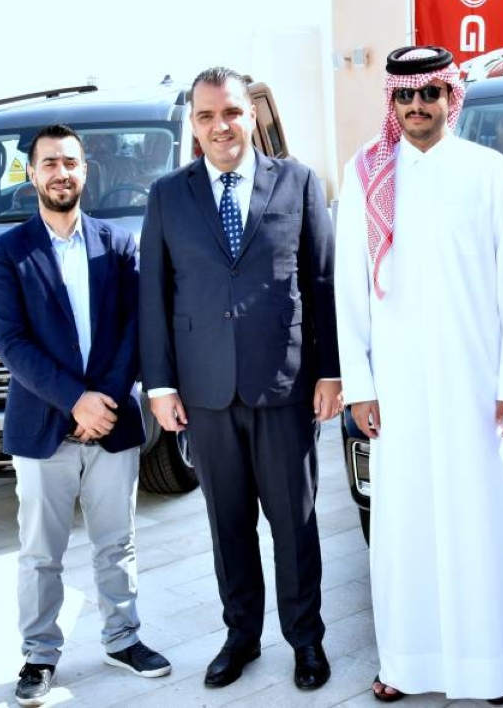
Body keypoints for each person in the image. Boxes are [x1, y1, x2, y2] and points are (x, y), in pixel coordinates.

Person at [335, 45, 503, 704]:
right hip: (397, 390)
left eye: (429, 94)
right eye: (405, 96)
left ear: (452, 97)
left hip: (477, 385)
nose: (417, 106)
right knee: (403, 527)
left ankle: (493, 665)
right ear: (391, 103)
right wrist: (360, 387)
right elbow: (350, 291)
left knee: (484, 521)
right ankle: (407, 662)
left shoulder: (490, 171)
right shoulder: (365, 175)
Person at [138, 66, 341, 691]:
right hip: (205, 393)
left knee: (294, 523)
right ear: (193, 126)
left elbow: (323, 282)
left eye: (230, 112)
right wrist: (162, 385)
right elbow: (154, 296)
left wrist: (331, 371)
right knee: (228, 526)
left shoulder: (299, 182)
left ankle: (306, 641)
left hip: (283, 386)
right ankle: (241, 637)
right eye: (206, 116)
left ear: (251, 115)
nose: (220, 126)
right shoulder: (168, 195)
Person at [0, 124, 170, 707]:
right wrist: (74, 401)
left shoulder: (116, 243)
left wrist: (104, 403)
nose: (60, 172)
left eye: (70, 161)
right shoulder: (8, 252)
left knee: (118, 544)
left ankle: (123, 638)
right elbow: (12, 343)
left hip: (112, 423)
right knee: (41, 553)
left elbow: (133, 330)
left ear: (85, 170)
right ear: (31, 174)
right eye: (49, 163)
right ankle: (39, 656)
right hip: (43, 431)